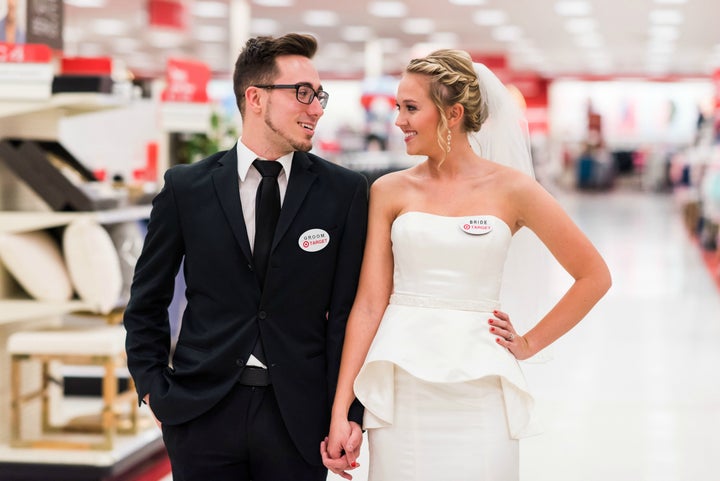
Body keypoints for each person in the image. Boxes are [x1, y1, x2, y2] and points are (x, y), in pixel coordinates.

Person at [321, 49, 612, 480]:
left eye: (410, 108)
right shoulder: (388, 190)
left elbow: (594, 276)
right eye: (398, 107)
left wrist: (529, 343)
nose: (398, 120)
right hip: (404, 389)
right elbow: (368, 305)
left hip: (482, 389)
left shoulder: (514, 189)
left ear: (452, 113)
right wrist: (341, 407)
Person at [124, 33, 367, 481]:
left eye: (320, 96)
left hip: (298, 419)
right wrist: (154, 390)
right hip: (202, 413)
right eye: (303, 94)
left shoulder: (345, 193)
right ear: (254, 97)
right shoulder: (186, 188)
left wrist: (348, 411)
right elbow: (146, 302)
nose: (316, 108)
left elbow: (350, 315)